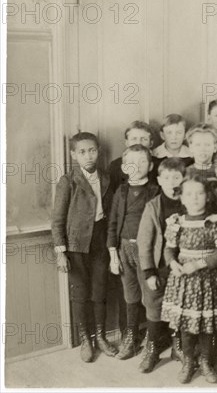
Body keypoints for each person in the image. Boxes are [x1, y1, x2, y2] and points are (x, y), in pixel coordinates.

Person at [51, 132, 117, 362]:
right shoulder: (68, 181)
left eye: (92, 150)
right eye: (82, 152)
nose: (88, 156)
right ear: (73, 154)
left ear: (98, 151)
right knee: (80, 293)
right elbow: (58, 220)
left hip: (100, 241)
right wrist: (61, 252)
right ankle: (85, 339)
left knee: (99, 291)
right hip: (77, 244)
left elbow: (111, 215)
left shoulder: (107, 178)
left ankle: (100, 337)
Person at [160, 175, 217, 384]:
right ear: (181, 199)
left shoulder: (215, 221)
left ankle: (207, 361)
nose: (195, 198)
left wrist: (198, 264)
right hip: (183, 282)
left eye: (199, 193)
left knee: (206, 325)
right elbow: (169, 249)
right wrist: (173, 263)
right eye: (189, 194)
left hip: (206, 279)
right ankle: (188, 361)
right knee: (187, 326)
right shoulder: (176, 222)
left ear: (207, 196)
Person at [107, 145, 160, 360]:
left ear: (151, 165)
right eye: (132, 163)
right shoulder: (120, 192)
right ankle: (131, 335)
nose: (136, 167)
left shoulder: (155, 191)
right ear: (123, 167)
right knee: (130, 294)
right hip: (123, 249)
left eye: (142, 162)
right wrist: (113, 255)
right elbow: (112, 224)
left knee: (150, 295)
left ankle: (152, 339)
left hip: (146, 251)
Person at [136, 157, 186, 373]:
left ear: (184, 179)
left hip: (183, 266)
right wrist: (149, 272)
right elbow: (144, 242)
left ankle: (178, 345)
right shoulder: (153, 206)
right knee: (155, 307)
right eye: (166, 177)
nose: (172, 181)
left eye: (176, 177)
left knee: (181, 306)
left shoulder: (189, 201)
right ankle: (153, 348)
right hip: (159, 267)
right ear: (159, 180)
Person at [108, 120, 159, 193]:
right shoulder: (115, 166)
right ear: (127, 142)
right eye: (134, 139)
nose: (138, 143)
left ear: (151, 143)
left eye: (144, 139)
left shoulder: (159, 165)